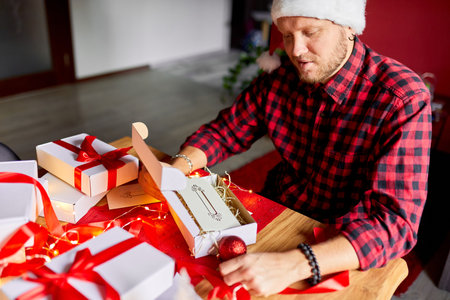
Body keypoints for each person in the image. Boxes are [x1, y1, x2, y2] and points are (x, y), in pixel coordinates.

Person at [170, 0, 432, 296]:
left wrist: (295, 264)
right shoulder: (280, 79)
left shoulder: (402, 98)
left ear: (349, 28)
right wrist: (176, 168)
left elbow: (396, 223)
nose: (294, 50)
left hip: (343, 243)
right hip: (277, 212)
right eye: (288, 35)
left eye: (310, 32)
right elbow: (225, 131)